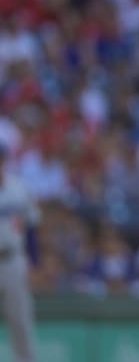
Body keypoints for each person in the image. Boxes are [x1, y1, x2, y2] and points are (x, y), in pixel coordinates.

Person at [0, 146, 40, 362]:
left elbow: (32, 226)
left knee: (21, 323)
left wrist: (34, 262)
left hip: (13, 260)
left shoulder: (18, 188)